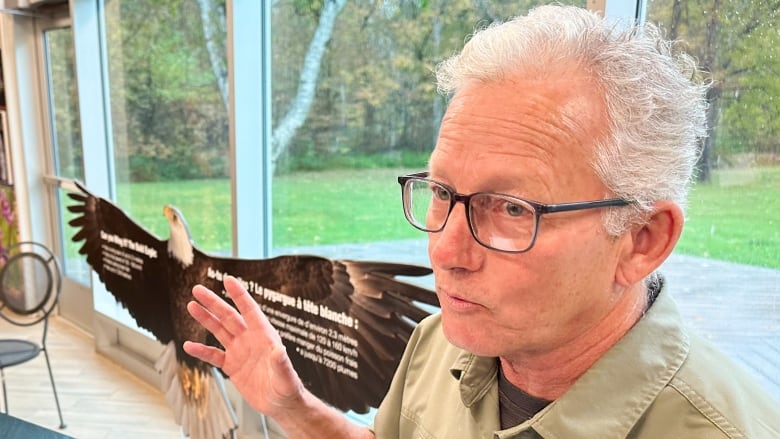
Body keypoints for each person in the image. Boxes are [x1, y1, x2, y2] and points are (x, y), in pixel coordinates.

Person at [183, 4, 780, 438]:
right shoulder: (440, 343)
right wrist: (295, 408)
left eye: (513, 209)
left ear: (641, 240)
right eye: (442, 192)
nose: (445, 252)